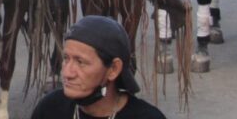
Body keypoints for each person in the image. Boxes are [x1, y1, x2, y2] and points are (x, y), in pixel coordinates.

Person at [31, 16, 166, 119]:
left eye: (80, 62)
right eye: (66, 59)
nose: (67, 73)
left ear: (113, 69)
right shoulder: (50, 109)